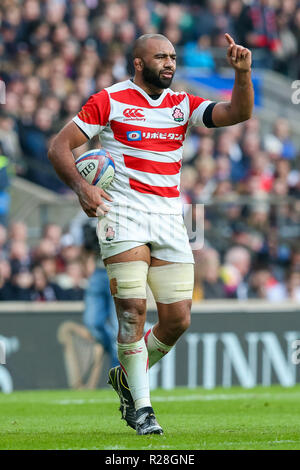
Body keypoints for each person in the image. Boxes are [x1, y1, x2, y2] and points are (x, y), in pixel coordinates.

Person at [48, 33, 253, 435]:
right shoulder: (108, 100)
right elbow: (59, 146)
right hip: (121, 213)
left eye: (173, 57)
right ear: (139, 63)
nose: (170, 63)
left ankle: (126, 378)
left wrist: (242, 74)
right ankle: (142, 409)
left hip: (172, 217)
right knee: (132, 312)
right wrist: (83, 188)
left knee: (177, 320)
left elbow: (237, 113)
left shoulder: (181, 104)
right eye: (161, 57)